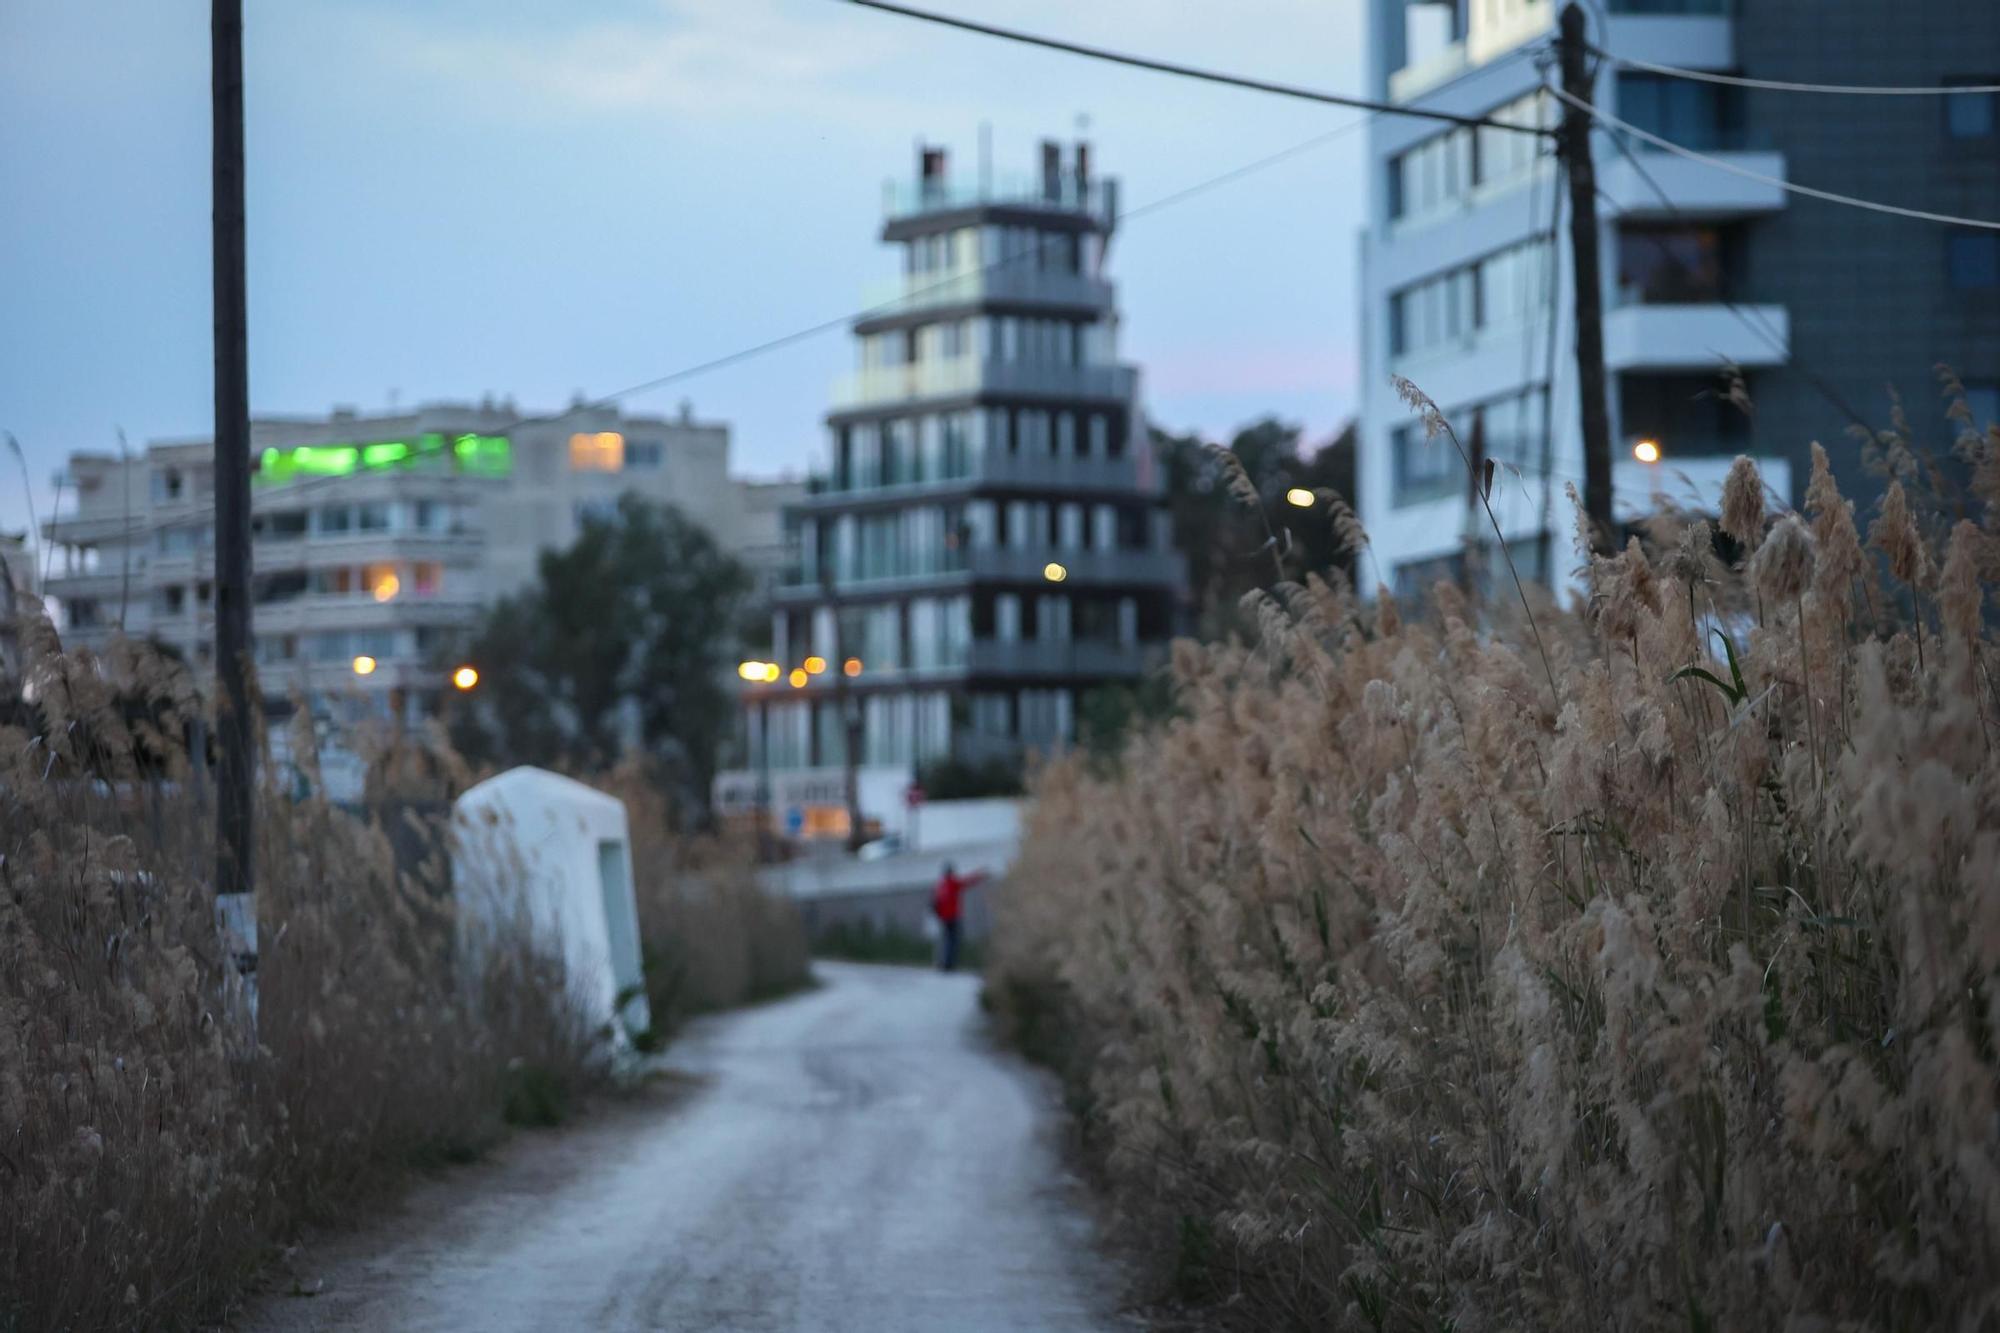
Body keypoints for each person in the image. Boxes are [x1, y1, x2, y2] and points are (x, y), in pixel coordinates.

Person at [930, 861, 986, 973]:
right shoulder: (952, 883)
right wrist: (979, 875)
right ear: (951, 872)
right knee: (953, 941)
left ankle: (943, 963)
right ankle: (949, 964)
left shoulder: (941, 885)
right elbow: (967, 882)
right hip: (953, 917)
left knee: (946, 941)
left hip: (944, 918)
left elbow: (935, 902)